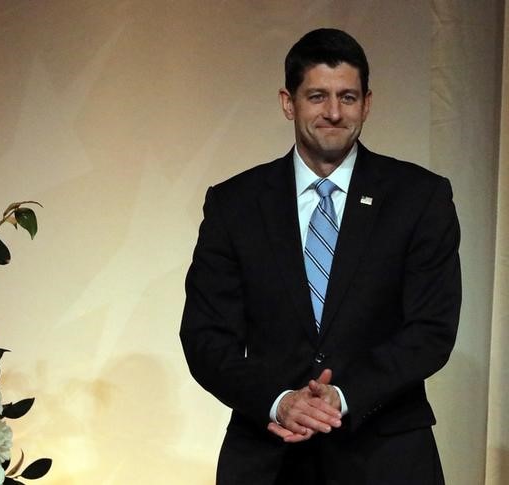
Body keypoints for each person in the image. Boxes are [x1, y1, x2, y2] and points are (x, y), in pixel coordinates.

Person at [180, 28, 461, 485]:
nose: (334, 112)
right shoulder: (235, 203)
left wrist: (343, 396)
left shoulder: (420, 198)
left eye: (348, 97)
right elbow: (205, 336)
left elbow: (431, 330)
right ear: (288, 103)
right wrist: (279, 400)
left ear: (367, 104)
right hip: (269, 454)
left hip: (387, 458)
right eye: (317, 96)